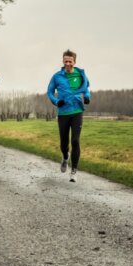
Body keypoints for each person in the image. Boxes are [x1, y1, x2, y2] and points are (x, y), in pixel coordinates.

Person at [47, 49, 91, 182]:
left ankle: (74, 170)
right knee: (64, 143)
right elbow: (49, 92)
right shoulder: (57, 76)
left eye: (70, 61)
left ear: (74, 62)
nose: (67, 63)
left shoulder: (80, 74)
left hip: (77, 111)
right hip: (63, 113)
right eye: (65, 61)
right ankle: (65, 157)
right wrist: (56, 101)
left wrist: (87, 97)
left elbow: (86, 87)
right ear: (63, 61)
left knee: (75, 141)